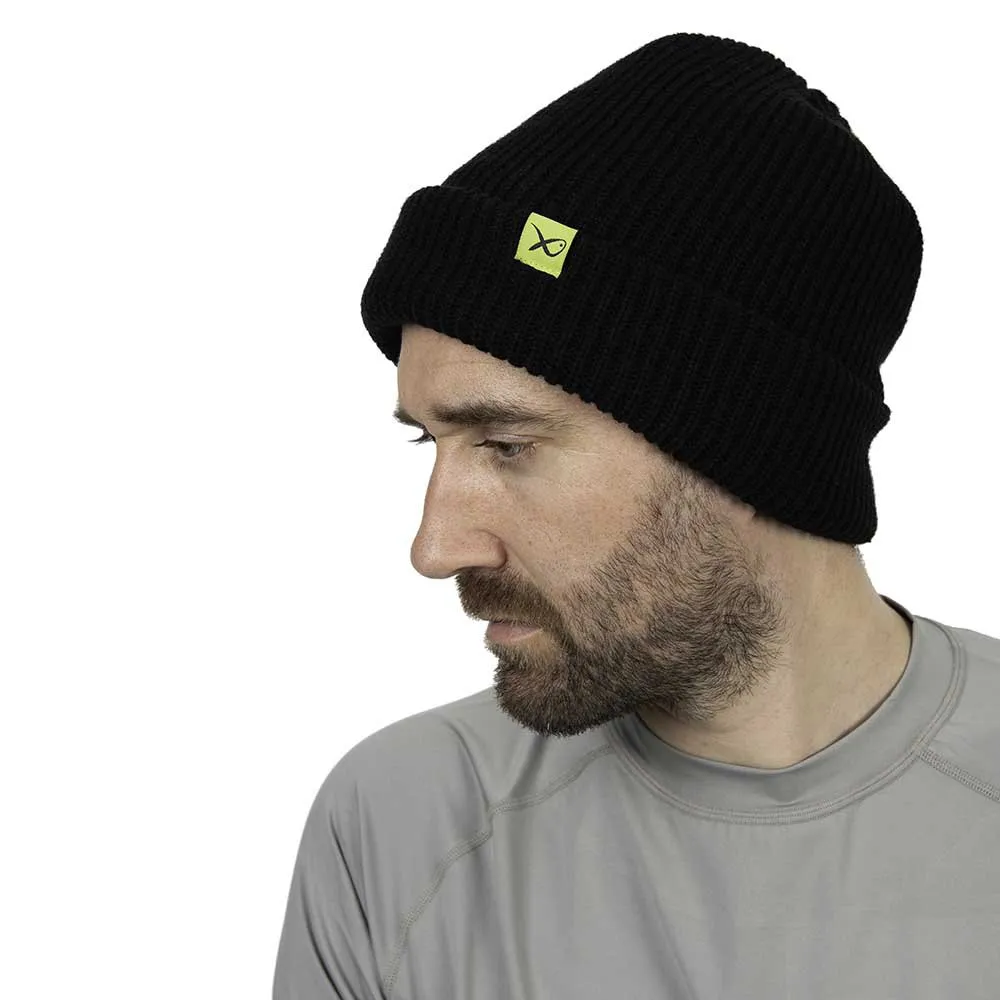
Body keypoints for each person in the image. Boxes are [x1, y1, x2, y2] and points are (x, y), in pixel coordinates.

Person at [273, 32, 1000, 998]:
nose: (435, 547)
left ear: (750, 449)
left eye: (507, 444)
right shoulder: (402, 826)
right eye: (429, 442)